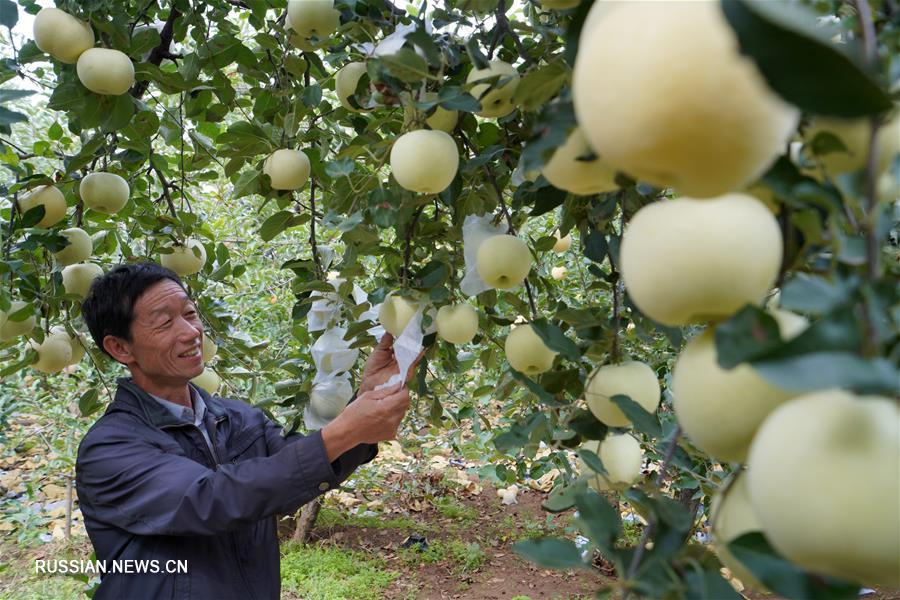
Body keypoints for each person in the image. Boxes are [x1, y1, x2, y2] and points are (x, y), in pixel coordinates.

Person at [75, 262, 416, 600]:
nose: (191, 332)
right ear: (120, 347)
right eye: (165, 322)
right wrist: (346, 429)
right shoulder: (109, 449)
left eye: (190, 314)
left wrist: (369, 398)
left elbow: (301, 467)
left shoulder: (236, 418)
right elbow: (214, 499)